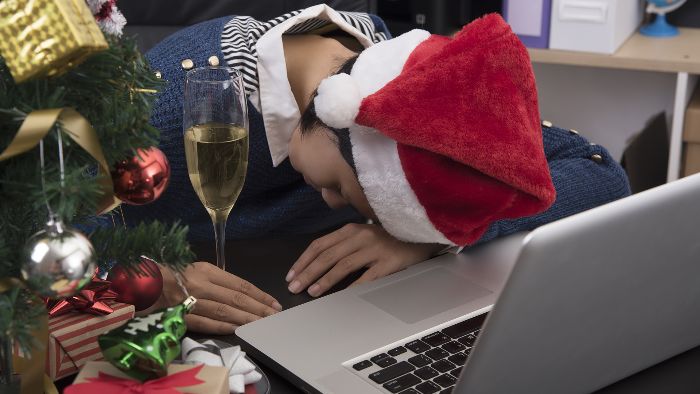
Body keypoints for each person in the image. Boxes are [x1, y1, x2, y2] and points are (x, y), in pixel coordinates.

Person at [129, 5, 631, 334]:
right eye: (342, 187)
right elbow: (60, 213)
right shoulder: (178, 94)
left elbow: (599, 172)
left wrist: (426, 236)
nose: (329, 202)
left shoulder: (422, 87)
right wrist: (150, 281)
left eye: (348, 198)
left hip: (327, 309)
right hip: (194, 314)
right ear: (334, 111)